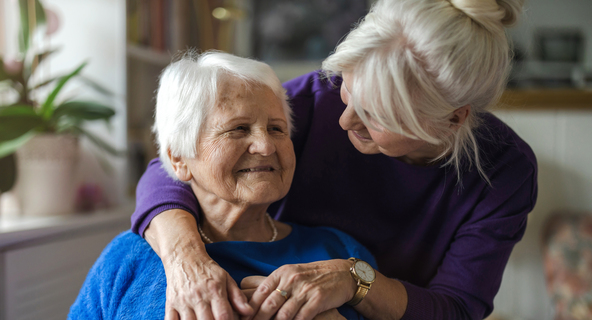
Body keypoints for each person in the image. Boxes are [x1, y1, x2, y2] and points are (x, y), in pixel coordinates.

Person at [132, 0, 538, 319]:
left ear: (452, 119)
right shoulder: (317, 98)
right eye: (349, 89)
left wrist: (356, 281)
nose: (345, 120)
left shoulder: (505, 171)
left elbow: (457, 308)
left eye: (377, 114)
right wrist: (186, 261)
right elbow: (175, 166)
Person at [69, 52, 377, 320]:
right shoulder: (130, 257)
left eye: (276, 128)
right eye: (238, 129)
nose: (265, 145)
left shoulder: (342, 254)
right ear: (179, 159)